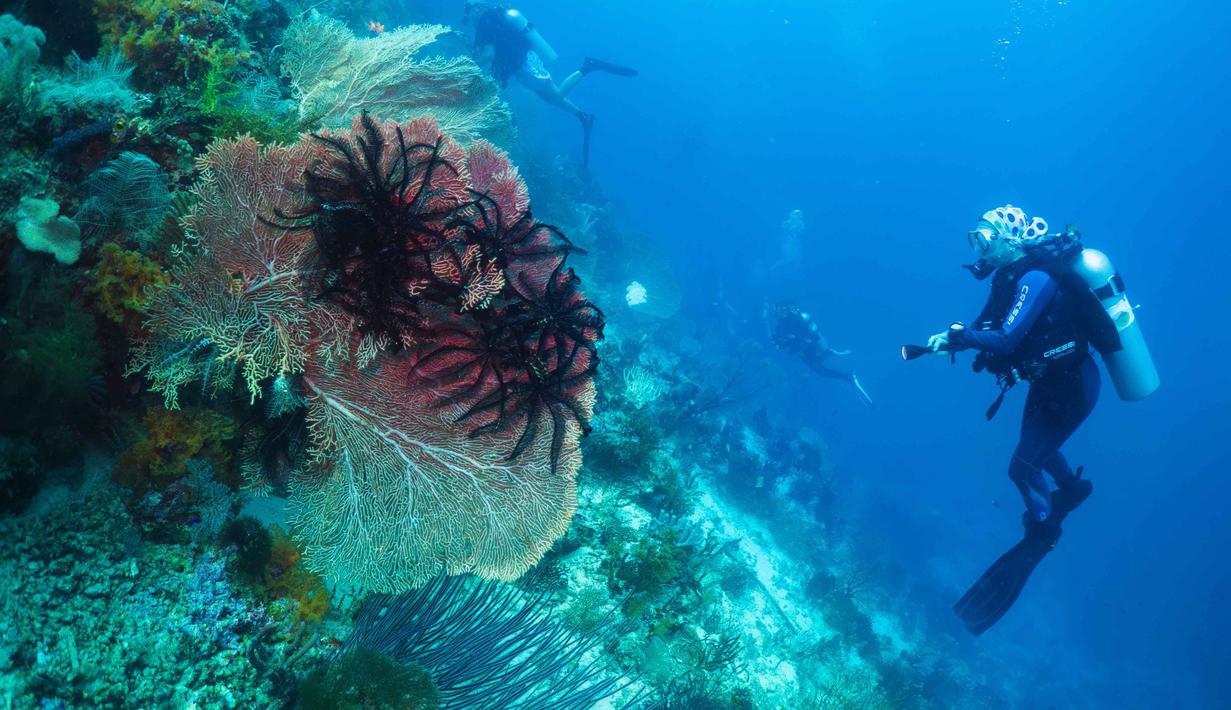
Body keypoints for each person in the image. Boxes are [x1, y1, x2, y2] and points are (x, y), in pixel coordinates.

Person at [924, 204, 1109, 635]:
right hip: (1048, 385)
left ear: (1010, 239)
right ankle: (1072, 488)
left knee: (1021, 466)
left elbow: (1006, 339)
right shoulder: (1008, 277)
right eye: (975, 239)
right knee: (1039, 451)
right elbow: (985, 323)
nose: (980, 249)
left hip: (1073, 388)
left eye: (986, 240)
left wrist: (964, 338)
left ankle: (1043, 532)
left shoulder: (1036, 278)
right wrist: (947, 340)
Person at [464, 2, 638, 166]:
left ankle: (587, 67)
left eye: (469, 10)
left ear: (477, 8)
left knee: (557, 94)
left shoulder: (486, 22)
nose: (468, 15)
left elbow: (489, 54)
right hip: (524, 62)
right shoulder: (494, 18)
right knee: (548, 97)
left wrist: (469, 66)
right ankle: (582, 115)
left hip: (524, 66)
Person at [770, 303, 874, 406]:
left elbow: (807, 338)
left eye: (778, 309)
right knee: (822, 369)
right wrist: (780, 343)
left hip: (811, 351)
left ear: (785, 309)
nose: (776, 312)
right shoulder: (783, 323)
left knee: (821, 371)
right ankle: (835, 356)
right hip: (810, 351)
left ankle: (847, 376)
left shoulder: (794, 321)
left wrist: (790, 343)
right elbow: (782, 337)